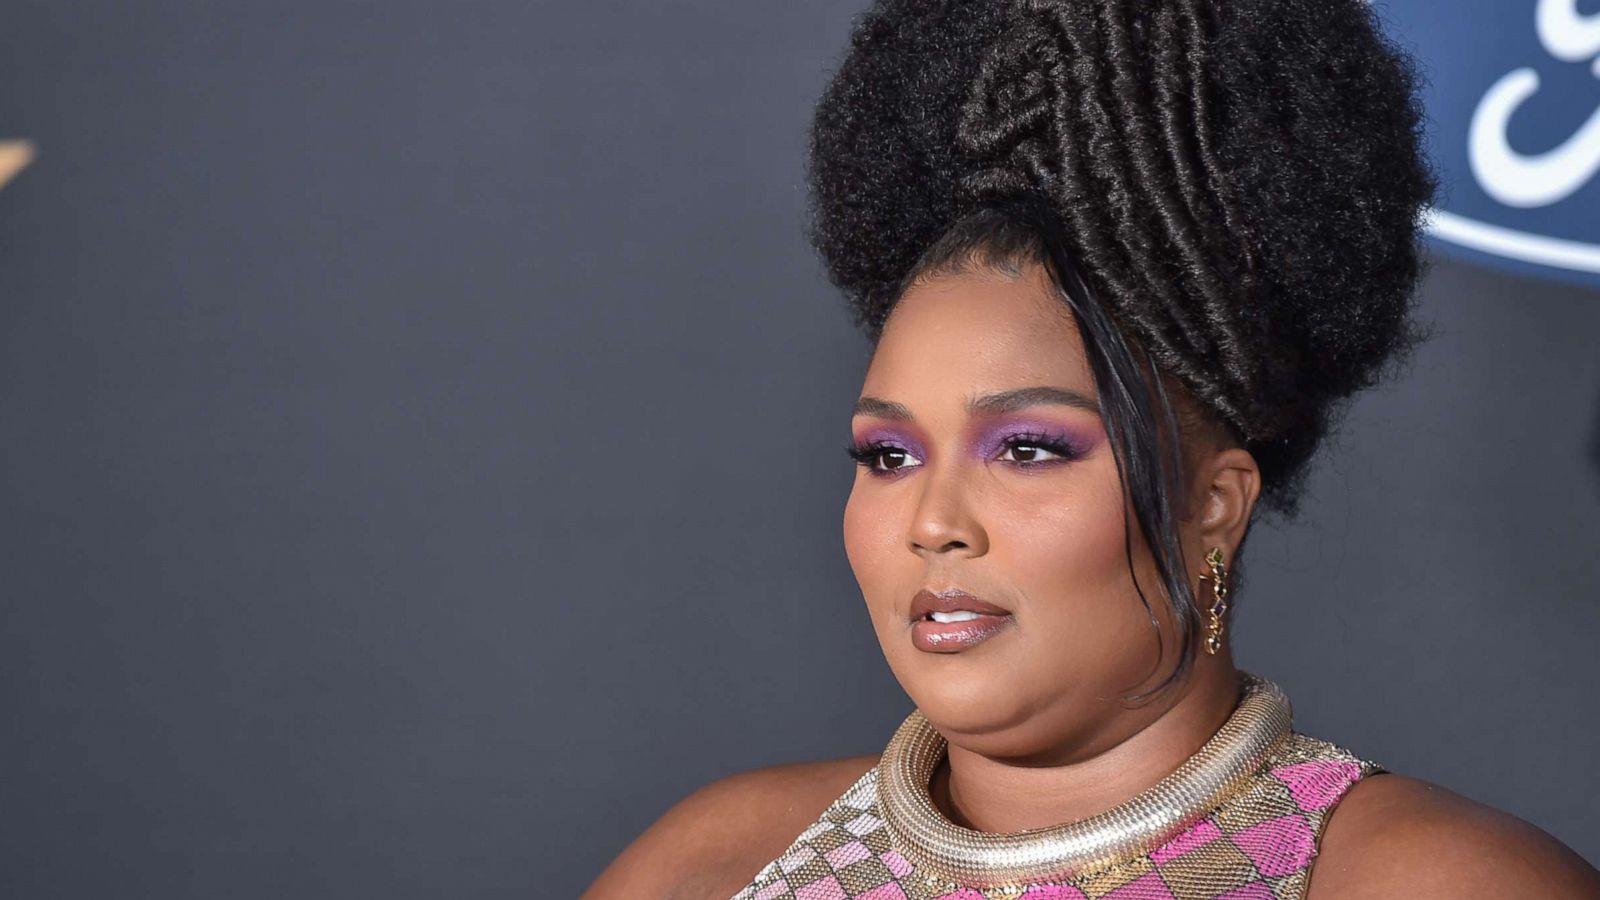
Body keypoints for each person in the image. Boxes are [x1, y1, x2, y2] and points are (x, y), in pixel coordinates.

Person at [584, 0, 1600, 897]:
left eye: (1026, 449)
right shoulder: (713, 866)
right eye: (887, 456)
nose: (931, 523)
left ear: (1218, 500)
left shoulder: (1436, 884)